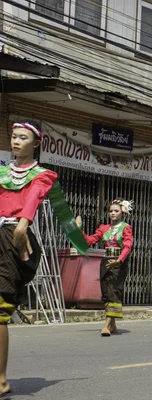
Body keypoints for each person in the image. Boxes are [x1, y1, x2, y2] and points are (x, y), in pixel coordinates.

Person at [0, 121, 87, 396]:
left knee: (0, 311)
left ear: (36, 143)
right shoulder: (2, 172)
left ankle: (1, 380)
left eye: (22, 137)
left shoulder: (42, 175)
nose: (16, 141)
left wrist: (24, 224)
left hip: (13, 237)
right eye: (13, 137)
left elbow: (38, 201)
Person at [76, 198, 134, 337]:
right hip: (106, 261)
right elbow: (90, 241)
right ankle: (113, 325)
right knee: (106, 291)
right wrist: (80, 230)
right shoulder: (104, 228)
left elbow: (128, 246)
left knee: (114, 290)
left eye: (116, 211)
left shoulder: (126, 227)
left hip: (119, 263)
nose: (113, 213)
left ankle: (106, 325)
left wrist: (119, 260)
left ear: (122, 212)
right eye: (111, 211)